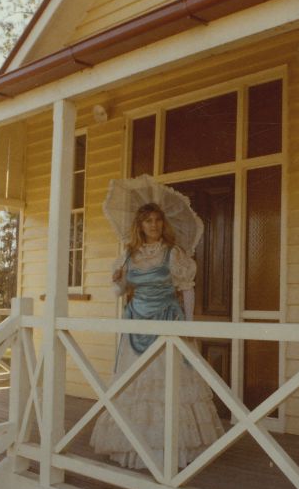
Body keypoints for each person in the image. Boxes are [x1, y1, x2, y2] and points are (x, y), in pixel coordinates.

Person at [90, 201, 224, 471]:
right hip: (136, 323)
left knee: (169, 383)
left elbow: (186, 288)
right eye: (148, 221)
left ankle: (173, 449)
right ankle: (134, 447)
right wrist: (118, 280)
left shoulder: (173, 253)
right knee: (135, 383)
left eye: (158, 220)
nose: (154, 225)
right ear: (139, 225)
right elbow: (120, 292)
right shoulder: (129, 254)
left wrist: (187, 325)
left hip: (167, 320)